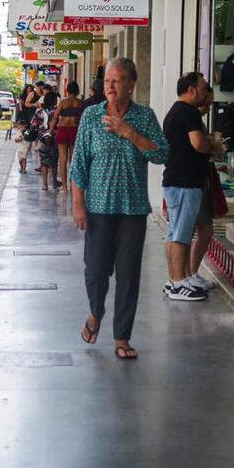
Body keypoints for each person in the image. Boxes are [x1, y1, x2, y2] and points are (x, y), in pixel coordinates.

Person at [70, 58, 169, 360]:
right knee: (96, 270)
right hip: (98, 207)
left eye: (117, 80)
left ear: (131, 85)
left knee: (128, 276)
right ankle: (95, 313)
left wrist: (129, 132)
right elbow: (79, 164)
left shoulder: (144, 116)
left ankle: (122, 337)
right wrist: (78, 204)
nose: (110, 86)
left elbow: (162, 153)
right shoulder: (90, 116)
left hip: (133, 209)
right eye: (107, 81)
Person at [161, 72, 223, 301]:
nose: (206, 91)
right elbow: (197, 143)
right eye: (204, 87)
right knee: (180, 234)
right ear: (191, 90)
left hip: (179, 181)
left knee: (177, 233)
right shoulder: (187, 111)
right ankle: (178, 283)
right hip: (185, 182)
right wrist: (213, 147)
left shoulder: (177, 111)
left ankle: (177, 279)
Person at [189, 85, 222, 292]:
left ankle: (190, 274)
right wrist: (212, 146)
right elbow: (198, 146)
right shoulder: (190, 118)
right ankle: (188, 275)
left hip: (197, 180)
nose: (209, 107)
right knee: (200, 230)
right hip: (194, 181)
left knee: (201, 229)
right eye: (207, 102)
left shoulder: (194, 119)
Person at [50, 81, 83, 191]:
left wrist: (50, 131)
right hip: (75, 131)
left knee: (62, 159)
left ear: (67, 90)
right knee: (73, 159)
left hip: (63, 130)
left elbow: (55, 117)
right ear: (77, 91)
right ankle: (73, 184)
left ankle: (64, 186)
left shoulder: (63, 103)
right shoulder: (80, 103)